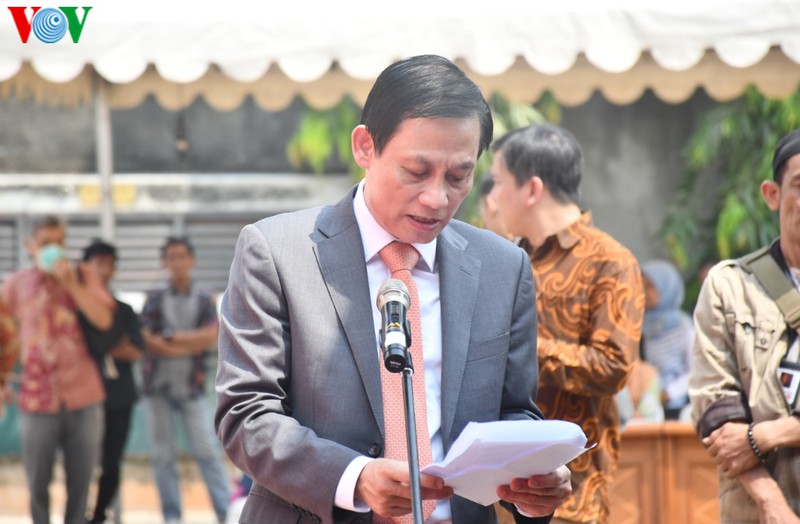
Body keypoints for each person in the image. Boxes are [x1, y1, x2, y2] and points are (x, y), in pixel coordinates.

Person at [215, 54, 571, 524]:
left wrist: (532, 482)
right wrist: (354, 478)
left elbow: (515, 413)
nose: (437, 198)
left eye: (459, 176)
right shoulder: (278, 252)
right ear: (365, 147)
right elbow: (246, 414)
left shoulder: (502, 268)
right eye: (416, 171)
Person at [489, 123, 645, 524]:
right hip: (493, 486)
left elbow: (613, 366)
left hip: (571, 495)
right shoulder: (507, 259)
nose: (493, 197)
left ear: (532, 189)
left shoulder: (610, 260)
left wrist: (518, 349)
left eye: (498, 183)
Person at [690, 128, 800, 523]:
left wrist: (767, 434)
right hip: (755, 512)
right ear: (772, 194)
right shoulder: (730, 287)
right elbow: (716, 411)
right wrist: (771, 503)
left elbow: (745, 437)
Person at [0, 215, 114, 524]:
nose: (54, 248)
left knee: (81, 483)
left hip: (84, 395)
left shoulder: (84, 275)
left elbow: (104, 320)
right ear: (30, 246)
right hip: (36, 398)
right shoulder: (15, 285)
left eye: (59, 242)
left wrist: (70, 283)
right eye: (46, 243)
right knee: (37, 482)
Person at [139, 236, 230, 524]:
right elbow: (146, 340)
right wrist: (189, 344)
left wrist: (168, 338)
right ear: (164, 263)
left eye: (181, 256)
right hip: (157, 388)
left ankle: (227, 514)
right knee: (162, 456)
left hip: (192, 387)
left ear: (191, 260)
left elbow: (211, 335)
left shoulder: (204, 297)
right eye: (171, 257)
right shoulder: (154, 298)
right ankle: (172, 516)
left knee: (207, 451)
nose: (177, 263)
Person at [79, 239, 145, 524]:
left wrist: (101, 343)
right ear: (86, 267)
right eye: (99, 264)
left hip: (119, 397)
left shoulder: (124, 310)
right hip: (84, 398)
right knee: (79, 461)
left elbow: (135, 349)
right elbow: (85, 346)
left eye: (110, 264)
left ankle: (99, 515)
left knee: (111, 462)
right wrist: (112, 341)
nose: (104, 270)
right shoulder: (77, 308)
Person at [640, 259, 694, 419]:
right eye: (641, 286)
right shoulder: (641, 327)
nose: (643, 293)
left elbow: (696, 372)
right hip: (647, 408)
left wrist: (669, 393)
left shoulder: (684, 327)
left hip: (680, 409)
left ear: (666, 288)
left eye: (649, 286)